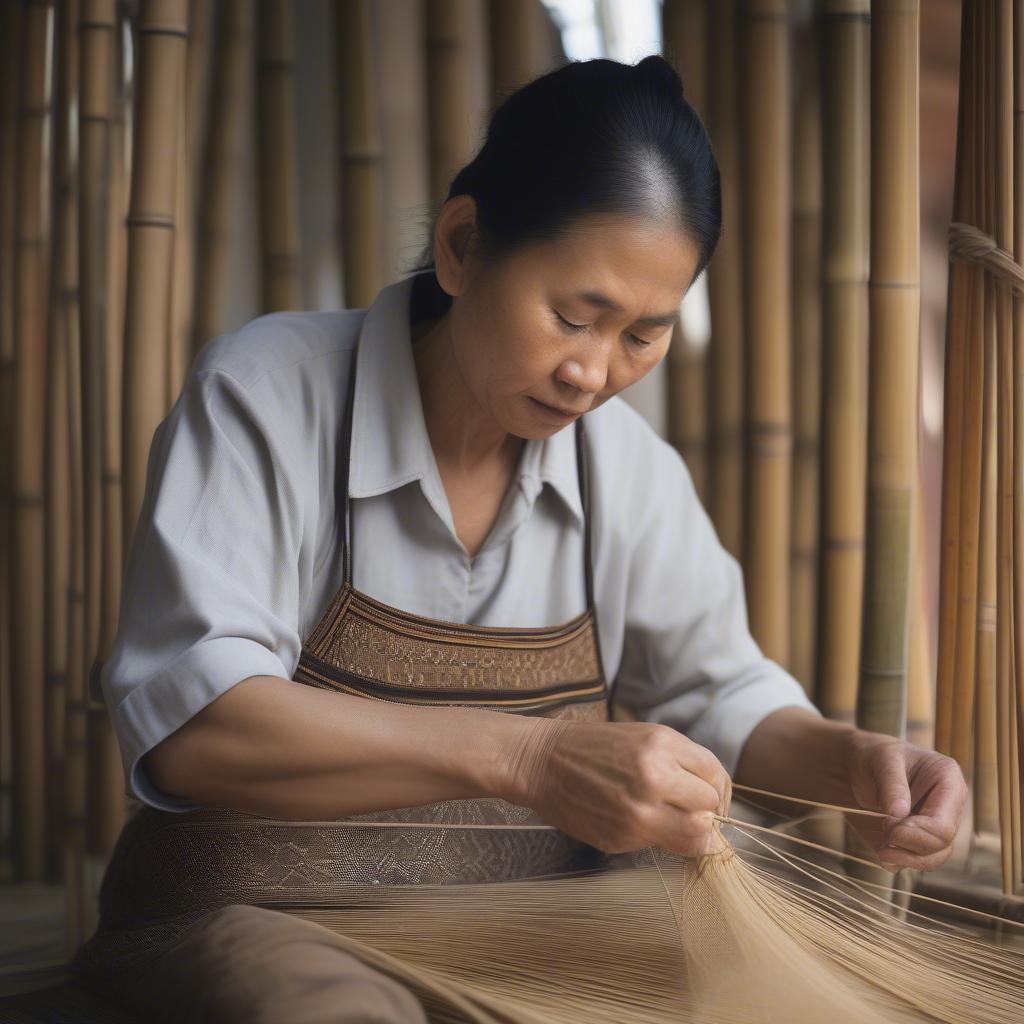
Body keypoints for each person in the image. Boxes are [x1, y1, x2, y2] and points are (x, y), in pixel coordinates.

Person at [72, 54, 967, 1023]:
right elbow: (196, 730)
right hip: (260, 924)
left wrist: (855, 765)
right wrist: (530, 760)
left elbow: (720, 693)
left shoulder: (623, 468)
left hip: (533, 929)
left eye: (641, 335)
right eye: (573, 316)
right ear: (461, 246)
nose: (591, 372)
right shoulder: (267, 396)